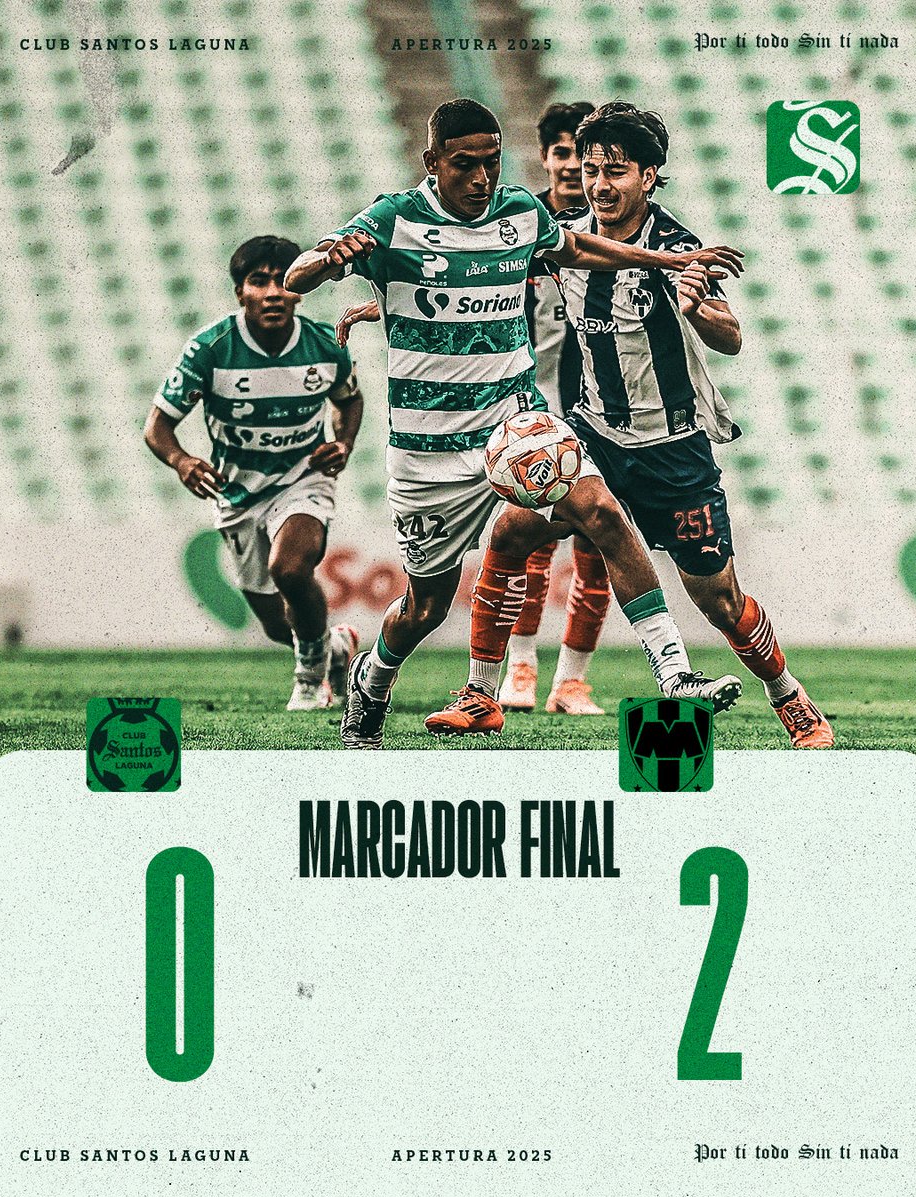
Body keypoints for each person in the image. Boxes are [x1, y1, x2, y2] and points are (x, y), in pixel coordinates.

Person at [285, 98, 745, 749]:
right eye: (464, 164)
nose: (481, 178)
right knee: (425, 606)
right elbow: (298, 275)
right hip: (427, 454)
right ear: (432, 162)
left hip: (516, 431)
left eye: (492, 162)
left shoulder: (520, 212)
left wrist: (666, 262)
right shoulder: (392, 219)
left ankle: (674, 674)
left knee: (603, 514)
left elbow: (576, 248)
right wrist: (333, 258)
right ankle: (373, 676)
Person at [435, 102, 833, 749]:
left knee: (720, 600)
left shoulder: (676, 249)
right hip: (593, 437)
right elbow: (483, 272)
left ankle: (789, 696)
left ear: (649, 176)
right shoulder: (566, 239)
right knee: (509, 533)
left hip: (673, 452)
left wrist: (699, 310)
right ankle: (482, 694)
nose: (598, 184)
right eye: (592, 169)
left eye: (615, 171)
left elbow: (730, 337)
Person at [144, 235, 362, 710]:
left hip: (303, 478)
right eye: (258, 282)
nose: (273, 293)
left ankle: (310, 681)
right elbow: (157, 426)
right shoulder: (210, 349)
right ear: (240, 292)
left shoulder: (325, 345)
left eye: (283, 281)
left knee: (290, 568)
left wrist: (342, 442)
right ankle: (335, 647)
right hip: (238, 491)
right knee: (274, 622)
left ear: (299, 290)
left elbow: (349, 400)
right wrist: (182, 460)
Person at [499, 100, 611, 717]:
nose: (572, 166)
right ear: (544, 158)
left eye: (583, 155)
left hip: (602, 412)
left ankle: (572, 683)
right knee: (533, 545)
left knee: (597, 548)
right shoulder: (519, 226)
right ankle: (520, 670)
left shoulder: (617, 229)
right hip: (535, 410)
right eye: (561, 153)